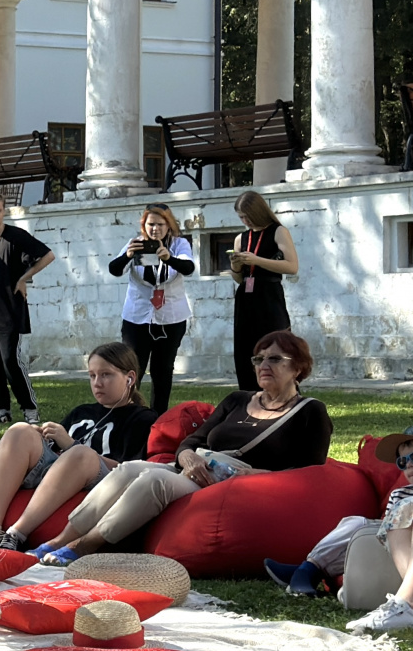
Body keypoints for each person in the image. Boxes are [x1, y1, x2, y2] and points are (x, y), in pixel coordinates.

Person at [37, 331, 331, 566]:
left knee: (155, 481)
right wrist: (188, 457)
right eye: (258, 359)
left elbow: (311, 471)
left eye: (275, 359)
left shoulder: (309, 412)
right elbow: (192, 441)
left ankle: (86, 545)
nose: (263, 366)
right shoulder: (238, 400)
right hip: (195, 469)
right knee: (128, 469)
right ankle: (58, 540)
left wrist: (256, 474)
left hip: (233, 483)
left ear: (298, 368)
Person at [0, 343, 159, 553]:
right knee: (20, 430)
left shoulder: (142, 418)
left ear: (130, 378)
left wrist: (72, 445)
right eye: (92, 376)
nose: (97, 383)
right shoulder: (82, 411)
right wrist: (40, 437)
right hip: (57, 472)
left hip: (100, 479)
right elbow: (53, 450)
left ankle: (16, 535)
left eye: (106, 375)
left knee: (81, 453)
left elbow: (129, 470)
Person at [0, 190, 54, 425]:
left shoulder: (16, 236)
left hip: (10, 311)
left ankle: (29, 409)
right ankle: (1, 410)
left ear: (4, 211)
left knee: (10, 362)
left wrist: (24, 278)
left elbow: (48, 256)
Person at [111, 204, 195, 414]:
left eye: (160, 224)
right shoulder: (135, 243)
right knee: (131, 369)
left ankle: (158, 417)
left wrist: (169, 258)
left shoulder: (179, 244)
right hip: (137, 317)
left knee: (163, 370)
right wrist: (128, 256)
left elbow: (188, 268)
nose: (155, 229)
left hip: (170, 317)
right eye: (150, 224)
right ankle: (127, 413)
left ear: (169, 225)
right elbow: (114, 269)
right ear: (144, 225)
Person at [343, 430, 413, 634]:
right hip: (402, 546)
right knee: (404, 506)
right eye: (402, 461)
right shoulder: (399, 494)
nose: (408, 464)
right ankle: (406, 603)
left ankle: (404, 603)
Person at [229, 189, 298, 392]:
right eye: (241, 217)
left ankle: (285, 394)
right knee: (245, 352)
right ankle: (249, 397)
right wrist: (236, 265)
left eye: (247, 216)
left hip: (269, 296)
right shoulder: (241, 238)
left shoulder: (278, 231)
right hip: (246, 297)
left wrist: (256, 260)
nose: (245, 221)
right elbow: (238, 278)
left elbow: (292, 266)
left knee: (275, 346)